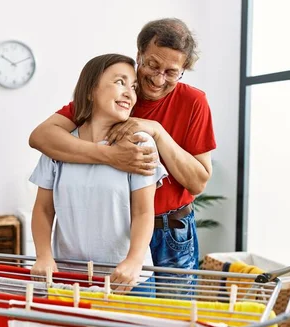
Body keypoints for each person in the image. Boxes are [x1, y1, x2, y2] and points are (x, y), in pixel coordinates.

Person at [29, 18, 216, 296]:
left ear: (182, 71)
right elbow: (41, 137)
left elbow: (198, 182)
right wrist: (111, 156)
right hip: (115, 233)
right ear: (139, 54)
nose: (158, 78)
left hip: (170, 230)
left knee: (171, 321)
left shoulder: (193, 102)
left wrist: (158, 132)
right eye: (152, 65)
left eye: (171, 72)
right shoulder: (118, 91)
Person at [29, 53, 167, 294]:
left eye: (133, 86)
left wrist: (134, 262)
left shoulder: (138, 143)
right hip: (69, 280)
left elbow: (143, 211)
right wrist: (43, 256)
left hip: (127, 280)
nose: (129, 93)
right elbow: (43, 209)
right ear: (91, 89)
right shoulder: (57, 147)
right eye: (120, 82)